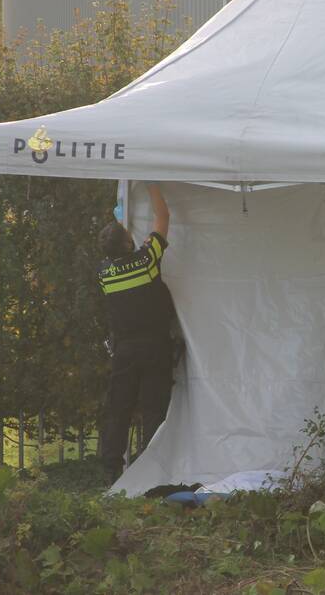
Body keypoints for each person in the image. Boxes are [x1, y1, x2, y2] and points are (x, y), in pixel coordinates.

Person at [96, 183, 175, 479]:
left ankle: (111, 472)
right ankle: (150, 471)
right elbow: (163, 217)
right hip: (155, 346)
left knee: (119, 408)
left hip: (125, 350)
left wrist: (120, 228)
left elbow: (117, 245)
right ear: (130, 243)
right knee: (154, 408)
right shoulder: (147, 261)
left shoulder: (104, 273)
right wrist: (153, 183)